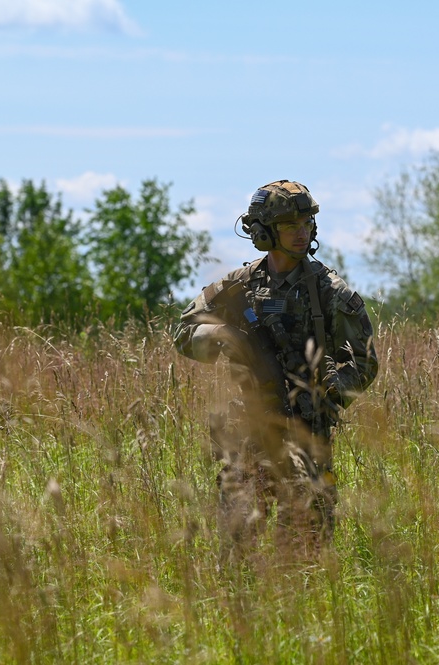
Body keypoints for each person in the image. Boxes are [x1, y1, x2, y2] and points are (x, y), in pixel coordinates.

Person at [174, 179, 378, 557]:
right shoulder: (239, 286)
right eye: (290, 226)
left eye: (306, 225)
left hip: (306, 438)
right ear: (264, 232)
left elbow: (364, 362)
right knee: (237, 549)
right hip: (248, 435)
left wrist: (328, 394)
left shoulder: (330, 292)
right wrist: (222, 334)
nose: (302, 234)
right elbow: (183, 331)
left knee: (307, 552)